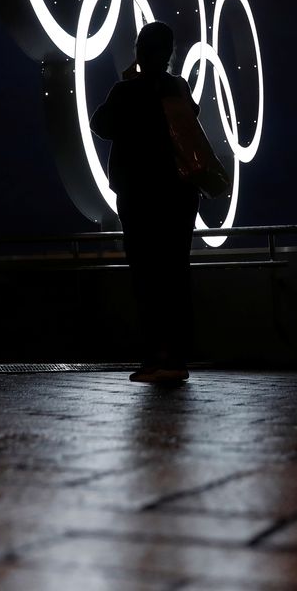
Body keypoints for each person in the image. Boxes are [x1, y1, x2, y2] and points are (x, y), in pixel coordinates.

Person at [90, 21, 199, 384]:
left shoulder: (126, 91)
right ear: (169, 54)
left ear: (139, 51)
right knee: (175, 272)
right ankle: (177, 357)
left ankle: (154, 357)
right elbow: (192, 117)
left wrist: (128, 82)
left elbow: (100, 125)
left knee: (146, 275)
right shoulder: (178, 88)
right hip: (179, 195)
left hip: (138, 195)